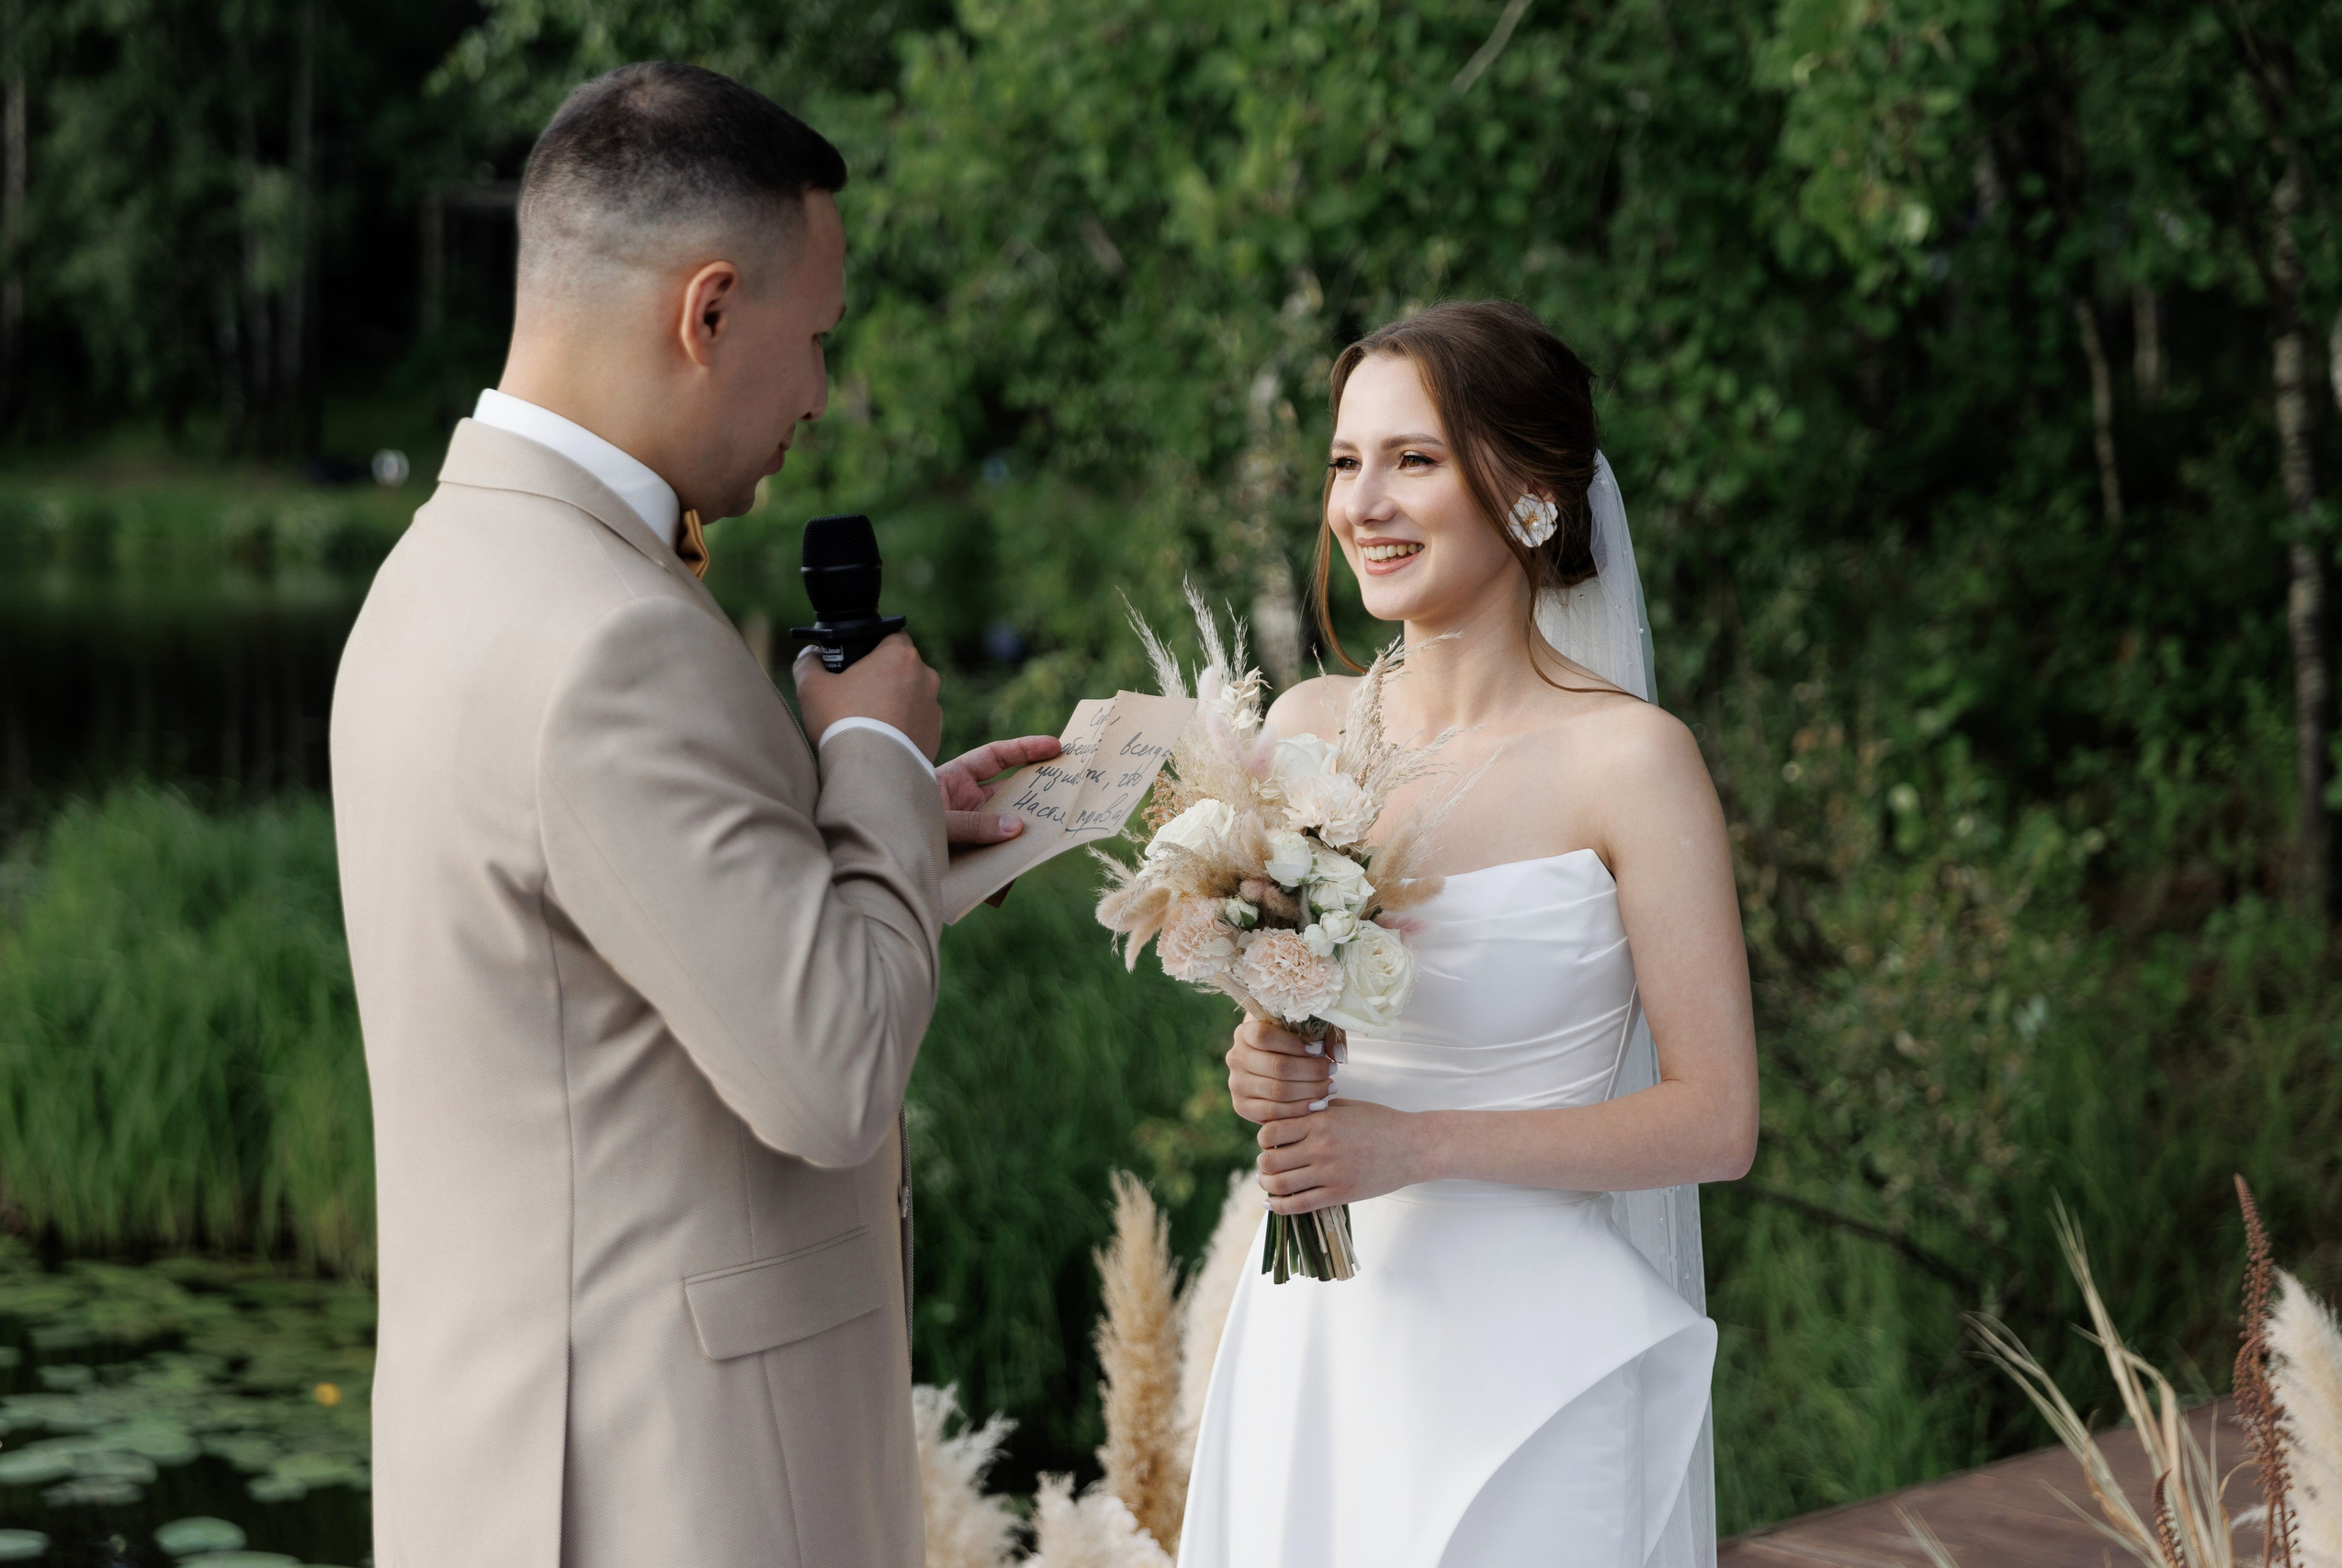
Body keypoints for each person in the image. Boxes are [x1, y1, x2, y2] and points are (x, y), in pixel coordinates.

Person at [330, 63, 1054, 1568]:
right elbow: (831, 1072)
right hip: (675, 1485)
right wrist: (868, 759)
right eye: (816, 341)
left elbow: (618, 962)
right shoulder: (614, 636)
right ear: (708, 312)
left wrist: (904, 823)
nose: (817, 396)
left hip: (507, 1468)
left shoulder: (439, 574)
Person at [1178, 300, 1759, 1568]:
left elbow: (1716, 1121)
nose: (1363, 503)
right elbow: (1283, 1027)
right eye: (1345, 462)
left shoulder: (1632, 763)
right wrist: (1260, 1067)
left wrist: (1411, 1144)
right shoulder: (1308, 731)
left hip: (1529, 1354)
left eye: (1414, 460)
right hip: (1315, 1343)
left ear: (1533, 494)